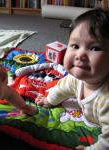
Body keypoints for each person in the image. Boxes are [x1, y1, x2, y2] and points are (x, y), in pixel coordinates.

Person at [35, 8, 109, 150]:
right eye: (75, 46)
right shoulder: (75, 79)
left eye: (94, 48)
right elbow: (62, 89)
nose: (80, 55)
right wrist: (49, 100)